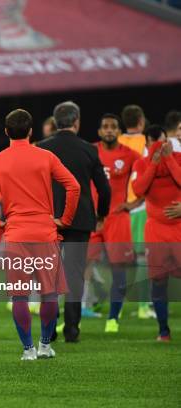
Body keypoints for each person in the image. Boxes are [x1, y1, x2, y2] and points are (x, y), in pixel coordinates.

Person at [0, 108, 80, 360]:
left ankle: (28, 350)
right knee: (49, 293)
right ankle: (44, 345)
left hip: (16, 233)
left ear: (7, 132)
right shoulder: (46, 157)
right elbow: (73, 186)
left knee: (19, 293)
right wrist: (65, 220)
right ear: (31, 131)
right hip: (45, 232)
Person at [38, 101, 110, 343]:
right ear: (77, 121)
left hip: (49, 220)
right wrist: (101, 214)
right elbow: (104, 188)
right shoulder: (89, 149)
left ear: (56, 122)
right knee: (75, 274)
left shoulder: (42, 148)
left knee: (49, 273)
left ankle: (49, 329)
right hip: (80, 220)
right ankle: (72, 329)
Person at [86, 114, 141, 333]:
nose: (109, 130)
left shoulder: (131, 156)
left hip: (117, 218)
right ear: (99, 131)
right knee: (82, 266)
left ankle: (113, 318)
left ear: (119, 131)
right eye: (105, 127)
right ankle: (78, 314)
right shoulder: (89, 151)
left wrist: (135, 203)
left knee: (118, 269)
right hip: (92, 219)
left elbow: (148, 181)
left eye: (113, 127)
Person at [132, 126, 180, 342]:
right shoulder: (141, 164)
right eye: (155, 143)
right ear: (148, 144)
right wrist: (153, 162)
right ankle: (164, 331)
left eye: (162, 142)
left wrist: (168, 159)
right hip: (156, 230)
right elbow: (139, 189)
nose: (160, 147)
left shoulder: (177, 158)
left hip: (179, 228)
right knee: (158, 280)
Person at [119, 104, 153, 319]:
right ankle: (142, 307)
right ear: (141, 121)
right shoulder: (146, 144)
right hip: (140, 206)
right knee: (143, 257)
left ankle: (116, 307)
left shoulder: (116, 142)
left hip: (119, 209)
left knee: (116, 259)